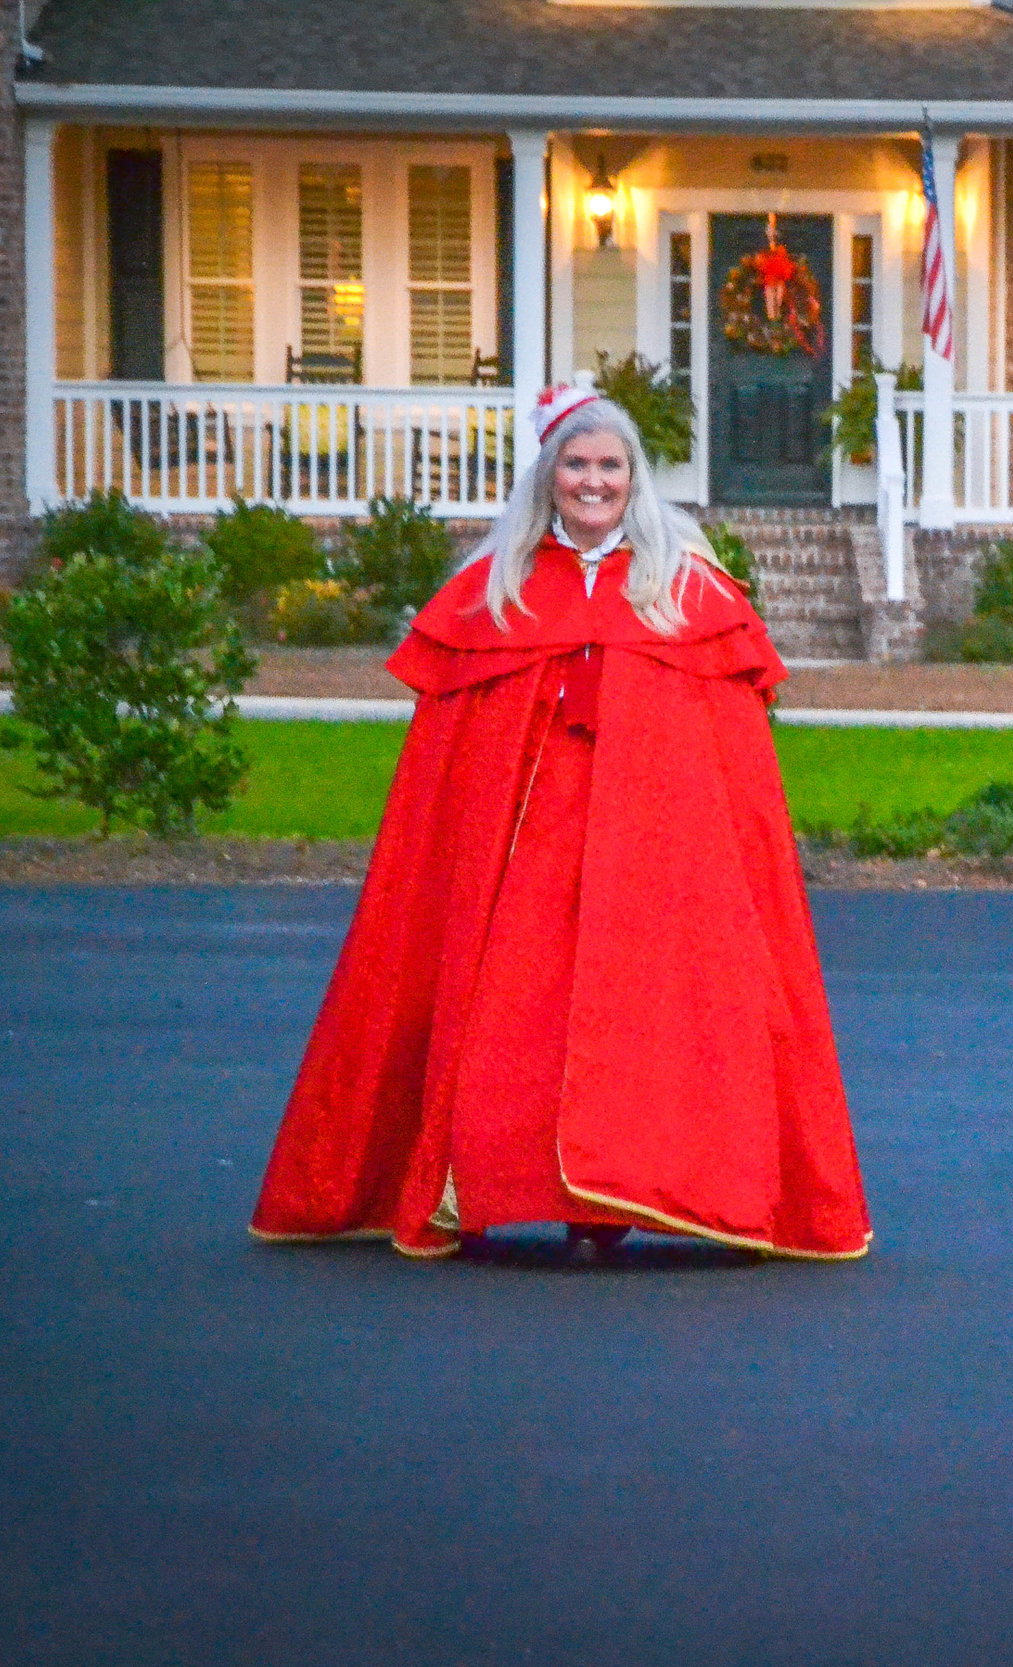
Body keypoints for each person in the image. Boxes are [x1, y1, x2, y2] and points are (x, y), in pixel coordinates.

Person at [251, 374, 871, 1262]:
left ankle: (654, 1191)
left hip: (656, 854)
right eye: (576, 463)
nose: (592, 480)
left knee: (651, 1017)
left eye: (609, 464)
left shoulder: (687, 592)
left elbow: (731, 765)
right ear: (549, 475)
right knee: (515, 1017)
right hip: (525, 848)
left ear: (634, 476)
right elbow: (450, 767)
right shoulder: (494, 590)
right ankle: (498, 1184)